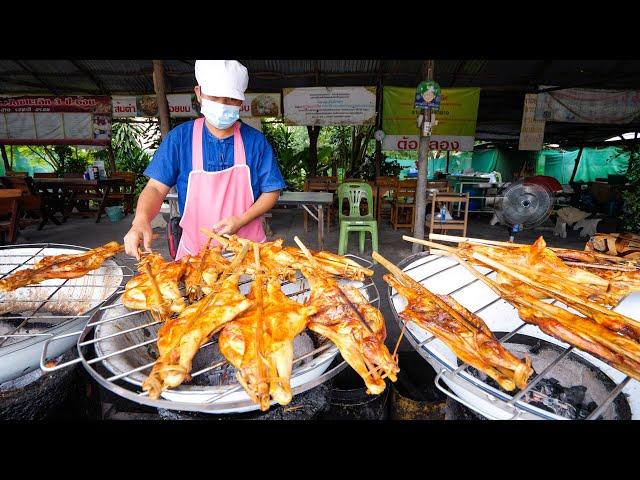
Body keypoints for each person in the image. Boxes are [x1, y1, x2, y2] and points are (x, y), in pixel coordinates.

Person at [124, 60, 285, 260]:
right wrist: (141, 219)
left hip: (248, 254)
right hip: (195, 256)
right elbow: (156, 188)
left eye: (231, 100)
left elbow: (272, 190)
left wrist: (242, 220)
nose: (223, 105)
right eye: (215, 97)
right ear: (199, 93)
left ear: (241, 101)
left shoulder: (255, 142)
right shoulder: (180, 139)